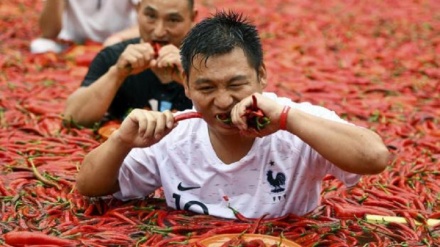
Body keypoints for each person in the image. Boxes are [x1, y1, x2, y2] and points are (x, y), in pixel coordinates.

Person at [75, 11, 390, 219]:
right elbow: (89, 186)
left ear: (261, 75)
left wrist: (287, 119)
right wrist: (121, 140)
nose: (222, 101)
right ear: (185, 84)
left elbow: (375, 156)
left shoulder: (296, 122)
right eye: (206, 87)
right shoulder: (174, 135)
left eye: (237, 84)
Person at [63, 0, 198, 127]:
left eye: (173, 20)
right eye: (150, 16)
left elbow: (218, 124)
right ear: (138, 10)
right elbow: (72, 119)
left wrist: (188, 79)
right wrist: (117, 74)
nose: (159, 31)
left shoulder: (207, 62)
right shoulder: (113, 57)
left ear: (192, 18)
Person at [31, 0, 140, 54]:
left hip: (118, 43)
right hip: (72, 44)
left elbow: (149, 22)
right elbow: (49, 32)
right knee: (39, 46)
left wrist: (119, 37)